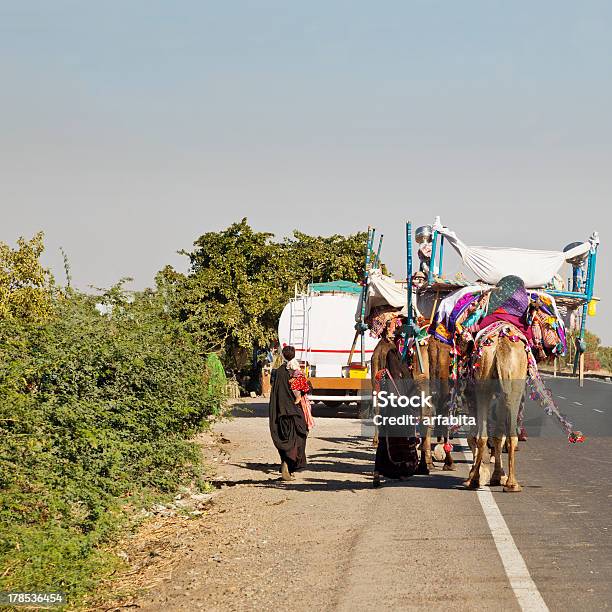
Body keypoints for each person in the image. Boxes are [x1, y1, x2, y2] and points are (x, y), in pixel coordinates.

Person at [373, 322, 419, 488]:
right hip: (396, 407)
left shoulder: (397, 359)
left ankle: (384, 471)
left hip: (391, 407)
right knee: (394, 441)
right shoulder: (393, 356)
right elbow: (398, 380)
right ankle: (391, 471)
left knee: (389, 442)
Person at [269, 346, 309, 481]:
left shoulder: (278, 372)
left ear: (283, 356)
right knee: (298, 438)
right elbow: (304, 388)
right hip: (294, 411)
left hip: (281, 412)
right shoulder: (295, 371)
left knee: (285, 438)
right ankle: (288, 466)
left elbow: (274, 393)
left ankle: (285, 465)